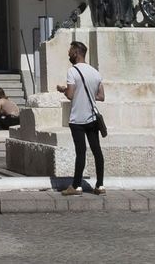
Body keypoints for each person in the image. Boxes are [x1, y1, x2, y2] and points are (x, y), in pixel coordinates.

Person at [56, 40, 105, 196]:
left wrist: (63, 89)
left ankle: (76, 186)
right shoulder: (95, 73)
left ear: (76, 53)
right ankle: (100, 185)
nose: (68, 54)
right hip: (92, 118)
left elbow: (70, 95)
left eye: (70, 51)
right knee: (97, 151)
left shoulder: (72, 71)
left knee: (81, 152)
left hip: (77, 118)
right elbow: (101, 96)